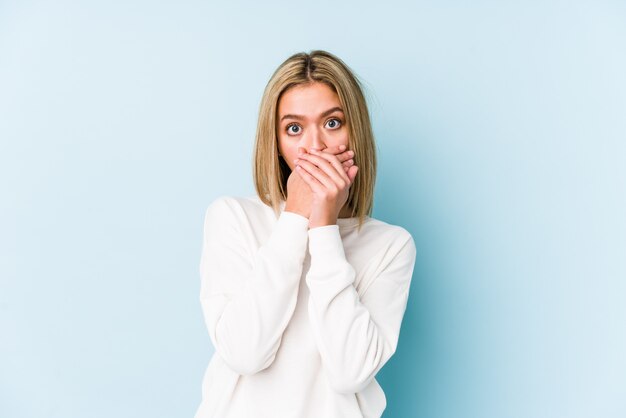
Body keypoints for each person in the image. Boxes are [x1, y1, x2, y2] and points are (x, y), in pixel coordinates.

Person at [194, 50, 417, 418]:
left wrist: (325, 229)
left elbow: (350, 373)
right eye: (294, 128)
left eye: (332, 123)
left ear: (355, 131)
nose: (315, 147)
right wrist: (296, 216)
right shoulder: (233, 218)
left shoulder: (390, 246)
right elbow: (245, 353)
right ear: (277, 143)